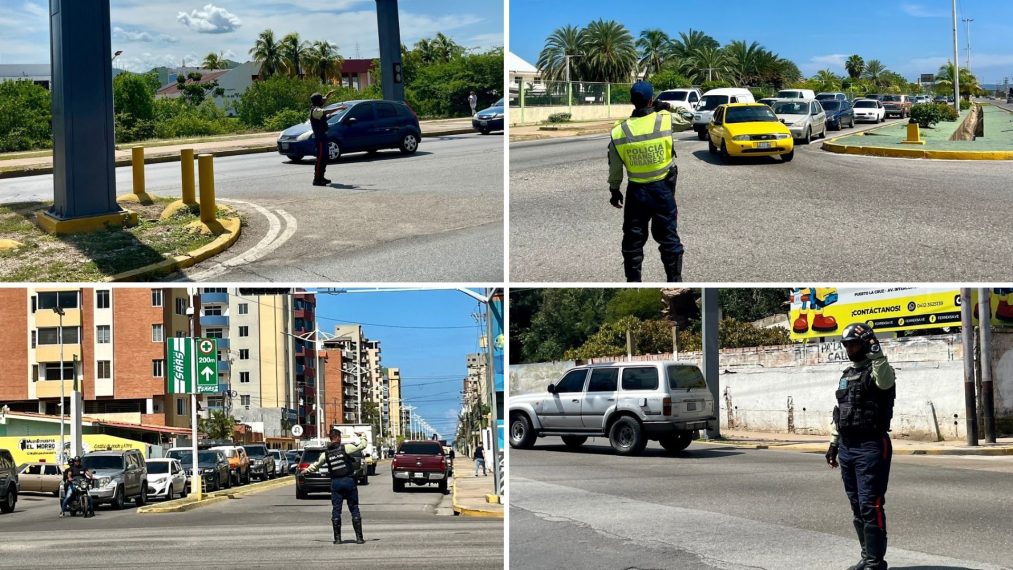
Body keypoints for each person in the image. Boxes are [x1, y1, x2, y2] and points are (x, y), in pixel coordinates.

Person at [825, 323, 896, 570]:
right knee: (856, 504)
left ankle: (876, 562)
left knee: (870, 504)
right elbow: (840, 412)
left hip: (871, 444)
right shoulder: (846, 375)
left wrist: (877, 352)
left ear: (866, 344)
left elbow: (885, 383)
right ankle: (867, 556)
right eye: (847, 345)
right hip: (847, 446)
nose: (849, 349)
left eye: (854, 344)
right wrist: (834, 444)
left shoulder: (879, 370)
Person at [607, 81, 693, 282]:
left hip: (636, 192)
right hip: (663, 189)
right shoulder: (664, 120)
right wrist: (668, 106)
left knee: (633, 239)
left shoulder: (620, 130)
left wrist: (614, 189)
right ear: (651, 99)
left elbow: (615, 166)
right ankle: (674, 280)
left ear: (631, 101)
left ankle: (633, 280)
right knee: (669, 237)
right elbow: (690, 118)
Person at [302, 428, 368, 545]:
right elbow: (362, 446)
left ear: (330, 438)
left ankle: (337, 539)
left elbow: (316, 465)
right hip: (349, 481)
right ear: (337, 438)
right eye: (340, 437)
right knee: (354, 508)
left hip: (336, 483)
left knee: (336, 510)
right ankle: (359, 538)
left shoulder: (325, 454)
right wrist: (362, 435)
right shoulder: (345, 448)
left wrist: (306, 470)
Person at [309, 90, 340, 187]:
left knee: (325, 158)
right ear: (318, 101)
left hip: (323, 137)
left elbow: (324, 101)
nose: (323, 100)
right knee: (320, 158)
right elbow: (326, 111)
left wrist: (329, 94)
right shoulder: (315, 111)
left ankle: (321, 177)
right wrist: (339, 108)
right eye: (321, 99)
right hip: (320, 138)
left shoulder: (317, 107)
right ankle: (317, 179)